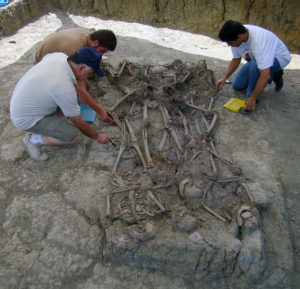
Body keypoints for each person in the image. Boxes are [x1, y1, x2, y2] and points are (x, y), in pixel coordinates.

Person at [10, 46, 111, 161]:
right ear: (82, 68)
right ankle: (32, 140)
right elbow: (77, 121)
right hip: (26, 118)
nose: (91, 76)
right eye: (91, 73)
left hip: (24, 101)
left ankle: (57, 120)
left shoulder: (59, 56)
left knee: (82, 87)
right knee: (73, 135)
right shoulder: (64, 88)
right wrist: (97, 136)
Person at [36, 28, 118, 122]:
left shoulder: (87, 36)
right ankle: (58, 117)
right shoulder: (72, 49)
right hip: (43, 62)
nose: (101, 54)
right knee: (69, 90)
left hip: (54, 56)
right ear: (95, 43)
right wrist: (101, 112)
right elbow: (79, 87)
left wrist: (84, 94)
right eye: (102, 51)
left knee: (85, 86)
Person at [216, 20, 291, 114]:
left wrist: (252, 98)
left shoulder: (258, 43)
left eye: (230, 43)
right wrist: (224, 77)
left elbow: (265, 75)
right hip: (257, 60)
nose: (228, 45)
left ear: (239, 37)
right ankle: (271, 72)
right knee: (237, 85)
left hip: (279, 58)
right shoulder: (236, 34)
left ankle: (254, 98)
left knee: (256, 65)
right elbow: (236, 59)